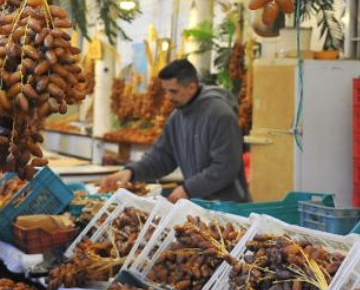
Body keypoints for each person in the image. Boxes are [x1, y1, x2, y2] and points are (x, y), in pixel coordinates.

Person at [101, 58, 249, 203]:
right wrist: (131, 172)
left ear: (191, 87)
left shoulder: (221, 115)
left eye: (173, 91)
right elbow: (161, 157)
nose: (168, 97)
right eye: (166, 91)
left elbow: (226, 166)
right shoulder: (177, 117)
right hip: (200, 203)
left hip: (228, 206)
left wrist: (188, 189)